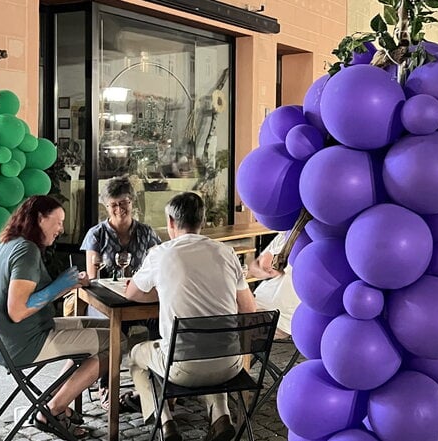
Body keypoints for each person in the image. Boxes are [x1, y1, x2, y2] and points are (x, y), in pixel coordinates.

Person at [124, 192, 256, 441]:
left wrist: (165, 290)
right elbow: (249, 309)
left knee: (135, 356)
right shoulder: (226, 253)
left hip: (181, 367)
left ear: (171, 222)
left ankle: (165, 422)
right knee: (213, 345)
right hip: (230, 366)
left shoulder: (161, 253)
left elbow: (132, 293)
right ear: (202, 222)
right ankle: (220, 416)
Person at [0, 195, 110, 439]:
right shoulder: (26, 250)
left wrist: (68, 284)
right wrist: (58, 286)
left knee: (109, 328)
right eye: (58, 221)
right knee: (116, 344)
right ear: (40, 218)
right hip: (25, 343)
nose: (61, 229)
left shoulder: (10, 243)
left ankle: (53, 401)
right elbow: (18, 310)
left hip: (11, 338)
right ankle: (51, 410)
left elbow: (29, 298)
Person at [76, 176, 161, 411]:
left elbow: (157, 267)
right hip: (106, 302)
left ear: (132, 202)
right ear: (106, 206)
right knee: (114, 331)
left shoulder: (146, 232)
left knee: (160, 322)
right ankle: (107, 387)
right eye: (113, 205)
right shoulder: (97, 234)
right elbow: (92, 277)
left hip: (139, 299)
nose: (119, 209)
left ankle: (158, 384)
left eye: (123, 203)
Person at [248, 231, 300, 339]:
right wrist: (267, 272)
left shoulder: (311, 246)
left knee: (238, 329)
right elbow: (254, 267)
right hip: (259, 301)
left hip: (279, 316)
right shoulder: (284, 236)